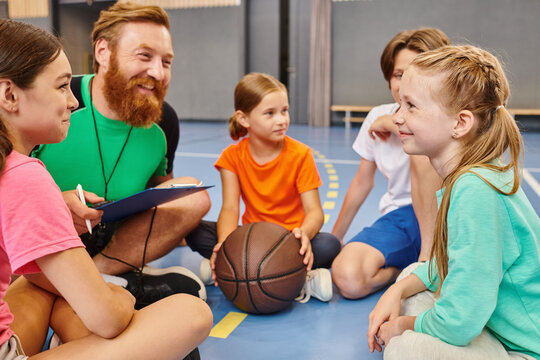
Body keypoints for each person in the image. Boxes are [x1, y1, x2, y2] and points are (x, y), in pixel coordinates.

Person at [0, 18, 212, 360]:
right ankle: (100, 289)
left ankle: (92, 292)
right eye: (60, 87)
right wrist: (117, 298)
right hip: (69, 265)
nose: (71, 101)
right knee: (191, 314)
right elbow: (110, 319)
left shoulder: (160, 124)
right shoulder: (26, 173)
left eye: (166, 61)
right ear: (10, 95)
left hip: (77, 250)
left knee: (43, 288)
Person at [367, 45, 540, 360]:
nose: (397, 117)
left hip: (526, 350)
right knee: (410, 277)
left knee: (409, 349)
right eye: (398, 104)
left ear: (460, 124)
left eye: (411, 106)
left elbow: (461, 319)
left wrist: (404, 326)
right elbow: (445, 264)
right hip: (491, 323)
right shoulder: (467, 179)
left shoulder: (475, 191)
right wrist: (395, 291)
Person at [32, 2, 210, 308]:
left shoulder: (163, 120)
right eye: (144, 55)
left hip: (114, 240)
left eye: (166, 62)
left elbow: (161, 193)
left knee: (194, 194)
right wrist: (54, 202)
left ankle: (101, 275)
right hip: (48, 239)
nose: (157, 72)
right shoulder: (59, 99)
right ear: (103, 52)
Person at [186, 73, 341, 303]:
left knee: (329, 245)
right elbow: (229, 208)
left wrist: (303, 235)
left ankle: (291, 277)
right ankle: (239, 267)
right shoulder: (232, 157)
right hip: (252, 242)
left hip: (290, 240)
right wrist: (225, 248)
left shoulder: (300, 155)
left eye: (284, 110)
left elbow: (315, 212)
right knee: (194, 230)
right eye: (270, 113)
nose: (281, 120)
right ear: (244, 119)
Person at [331, 28, 449, 299]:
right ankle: (402, 270)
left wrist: (397, 126)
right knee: (348, 277)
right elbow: (362, 182)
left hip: (447, 217)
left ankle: (426, 262)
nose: (407, 81)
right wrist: (335, 239)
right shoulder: (378, 116)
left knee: (420, 153)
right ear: (389, 78)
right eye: (399, 74)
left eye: (420, 72)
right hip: (401, 219)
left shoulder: (450, 118)